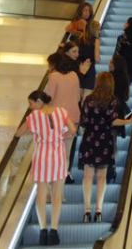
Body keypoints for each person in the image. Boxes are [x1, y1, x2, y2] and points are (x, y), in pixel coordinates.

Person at [15, 90, 77, 246]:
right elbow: (74, 130)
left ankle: (43, 231)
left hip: (42, 155)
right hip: (58, 154)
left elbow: (18, 133)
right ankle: (54, 231)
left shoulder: (33, 117)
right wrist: (61, 135)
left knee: (41, 194)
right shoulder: (61, 112)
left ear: (39, 101)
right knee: (57, 194)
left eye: (31, 103)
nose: (30, 107)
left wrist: (35, 131)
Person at [78, 72, 132, 223]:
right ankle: (99, 211)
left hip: (90, 138)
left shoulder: (89, 99)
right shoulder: (113, 101)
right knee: (101, 176)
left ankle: (86, 211)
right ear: (110, 84)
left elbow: (84, 122)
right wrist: (129, 121)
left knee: (87, 176)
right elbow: (113, 121)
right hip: (105, 139)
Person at [44, 52, 81, 184]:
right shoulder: (74, 75)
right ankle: (61, 183)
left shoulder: (54, 76)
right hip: (73, 118)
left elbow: (49, 98)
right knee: (65, 153)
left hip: (57, 119)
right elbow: (78, 97)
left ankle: (52, 184)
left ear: (54, 64)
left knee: (53, 153)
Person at [107, 54, 132, 183]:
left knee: (107, 140)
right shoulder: (124, 78)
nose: (109, 63)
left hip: (108, 111)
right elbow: (125, 97)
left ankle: (108, 168)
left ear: (116, 64)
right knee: (113, 141)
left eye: (111, 62)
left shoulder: (110, 78)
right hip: (118, 112)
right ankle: (112, 167)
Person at [77, 20, 101, 100]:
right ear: (94, 30)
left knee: (78, 97)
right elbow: (97, 58)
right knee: (86, 97)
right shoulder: (96, 40)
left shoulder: (81, 38)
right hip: (90, 69)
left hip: (80, 68)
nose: (100, 31)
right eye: (98, 29)